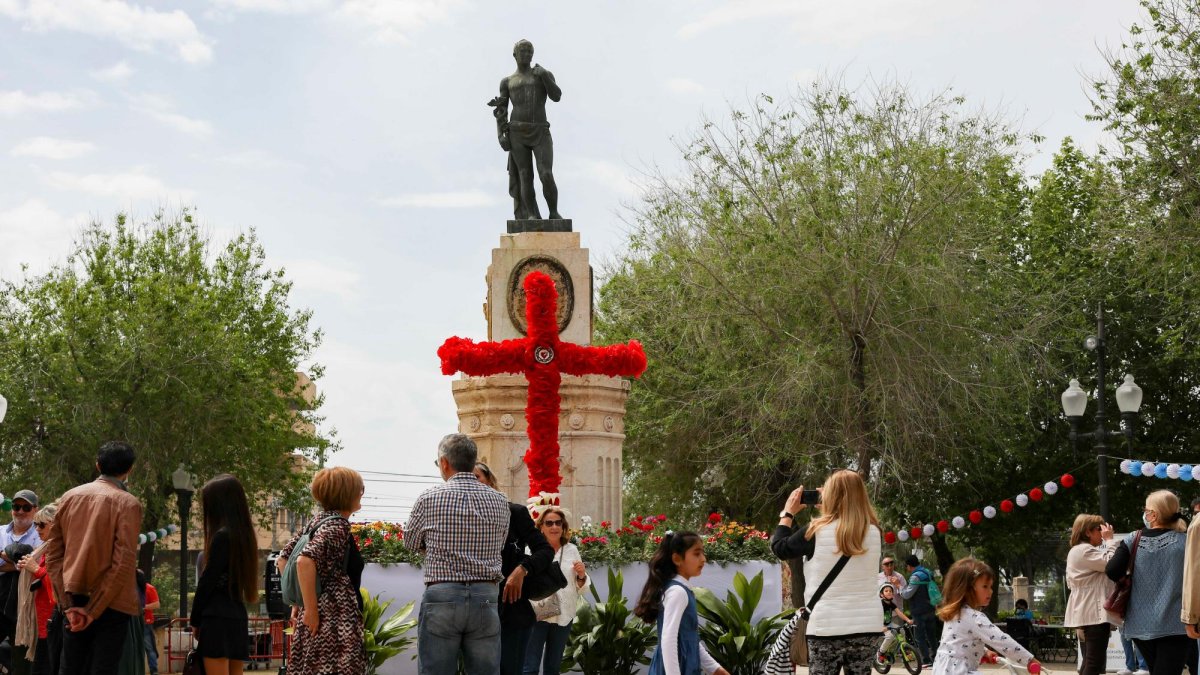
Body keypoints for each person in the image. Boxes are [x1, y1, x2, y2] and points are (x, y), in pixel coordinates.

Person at [405, 434, 509, 675]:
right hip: (486, 594)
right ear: (473, 462)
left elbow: (410, 543)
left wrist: (432, 547)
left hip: (442, 593)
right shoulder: (500, 501)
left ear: (444, 463)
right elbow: (500, 544)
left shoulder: (428, 498)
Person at [765, 469, 883, 675]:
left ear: (831, 496)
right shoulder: (874, 532)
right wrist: (831, 509)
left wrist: (788, 514)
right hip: (867, 625)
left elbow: (780, 548)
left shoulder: (815, 530)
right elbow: (845, 530)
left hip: (826, 626)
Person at [44, 440, 142, 675]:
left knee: (70, 667)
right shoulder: (128, 503)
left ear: (97, 465)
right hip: (112, 603)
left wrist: (67, 606)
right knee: (103, 668)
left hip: (73, 599)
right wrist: (94, 610)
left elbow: (53, 556)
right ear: (129, 470)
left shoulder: (69, 497)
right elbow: (123, 563)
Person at [277, 467, 367, 675]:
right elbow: (304, 561)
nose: (362, 493)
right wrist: (311, 609)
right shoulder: (337, 527)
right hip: (334, 620)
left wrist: (300, 603)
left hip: (317, 616)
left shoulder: (316, 522)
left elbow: (283, 559)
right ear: (347, 493)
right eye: (360, 489)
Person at [471, 462, 553, 675]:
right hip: (474, 610)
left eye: (476, 476)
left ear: (490, 480)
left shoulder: (514, 512)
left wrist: (522, 569)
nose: (472, 481)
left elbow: (544, 550)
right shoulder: (462, 518)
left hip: (512, 610)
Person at [1106, 489, 1189, 675]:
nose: (1144, 513)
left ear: (1153, 514)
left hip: (1140, 624)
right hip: (1177, 624)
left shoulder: (1132, 539)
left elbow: (1112, 571)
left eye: (1146, 509)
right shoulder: (1187, 541)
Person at [633, 531, 730, 675]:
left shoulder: (681, 590)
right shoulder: (678, 592)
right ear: (677, 559)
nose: (703, 559)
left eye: (703, 553)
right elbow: (668, 640)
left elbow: (690, 641)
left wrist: (716, 669)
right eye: (697, 554)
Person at [190, 475, 259, 675]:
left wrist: (195, 620)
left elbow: (207, 582)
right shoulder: (245, 537)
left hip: (216, 618)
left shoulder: (221, 537)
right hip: (237, 616)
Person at [492, 39, 563, 220]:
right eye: (522, 51)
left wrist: (545, 76)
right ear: (515, 54)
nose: (526, 54)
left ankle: (554, 213)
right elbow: (502, 109)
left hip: (540, 130)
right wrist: (500, 134)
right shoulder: (507, 81)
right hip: (516, 132)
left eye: (529, 51)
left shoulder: (542, 75)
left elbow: (556, 96)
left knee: (546, 173)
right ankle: (532, 215)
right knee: (525, 175)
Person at [932, 558, 1039, 675]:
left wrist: (985, 651)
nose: (991, 591)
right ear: (968, 588)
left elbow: (958, 643)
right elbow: (1001, 640)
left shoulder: (955, 613)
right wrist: (1028, 660)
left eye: (991, 586)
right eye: (985, 586)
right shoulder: (975, 618)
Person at [522, 505, 589, 675]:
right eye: (549, 523)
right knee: (530, 667)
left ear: (563, 526)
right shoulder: (531, 550)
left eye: (558, 523)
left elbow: (580, 586)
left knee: (553, 667)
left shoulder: (572, 550)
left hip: (564, 614)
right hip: (537, 612)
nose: (554, 527)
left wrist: (581, 575)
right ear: (541, 527)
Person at [1064, 514, 1117, 675]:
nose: (1103, 532)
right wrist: (1110, 540)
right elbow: (1112, 563)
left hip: (1088, 609)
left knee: (1090, 660)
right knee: (1095, 661)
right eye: (1099, 529)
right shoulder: (1084, 550)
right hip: (1093, 610)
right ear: (1088, 532)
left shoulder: (1079, 550)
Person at [15, 502, 57, 675]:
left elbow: (59, 589)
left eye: (41, 525)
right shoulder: (44, 549)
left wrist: (36, 570)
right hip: (41, 623)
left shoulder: (62, 550)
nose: (37, 529)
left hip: (53, 623)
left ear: (55, 526)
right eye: (35, 524)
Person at [903, 554, 942, 666]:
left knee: (919, 637)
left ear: (909, 566)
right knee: (931, 635)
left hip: (918, 611)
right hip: (930, 608)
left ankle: (926, 660)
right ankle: (936, 658)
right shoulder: (928, 573)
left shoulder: (916, 576)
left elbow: (907, 595)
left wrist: (900, 588)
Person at [876, 584, 914, 662]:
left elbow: (899, 613)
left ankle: (903, 648)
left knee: (902, 630)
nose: (889, 592)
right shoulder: (880, 604)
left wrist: (908, 620)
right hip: (880, 624)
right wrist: (881, 627)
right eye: (886, 591)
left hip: (889, 624)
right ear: (881, 594)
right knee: (890, 636)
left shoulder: (891, 604)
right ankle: (881, 652)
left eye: (890, 591)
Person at [136, 571, 159, 675]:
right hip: (139, 622)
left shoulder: (149, 588)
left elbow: (157, 604)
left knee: (149, 649)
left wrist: (143, 608)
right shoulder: (135, 589)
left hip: (146, 622)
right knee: (148, 649)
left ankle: (153, 670)